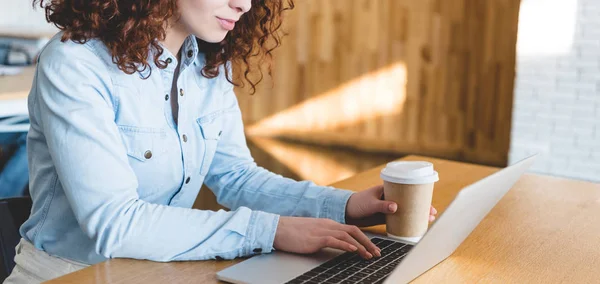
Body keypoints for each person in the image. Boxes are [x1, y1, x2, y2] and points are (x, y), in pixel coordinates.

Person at [5, 0, 437, 282]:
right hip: (66, 275)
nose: (244, 4)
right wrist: (271, 231)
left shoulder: (207, 64)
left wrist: (341, 206)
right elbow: (115, 223)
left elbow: (234, 177)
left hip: (158, 272)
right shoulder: (75, 64)